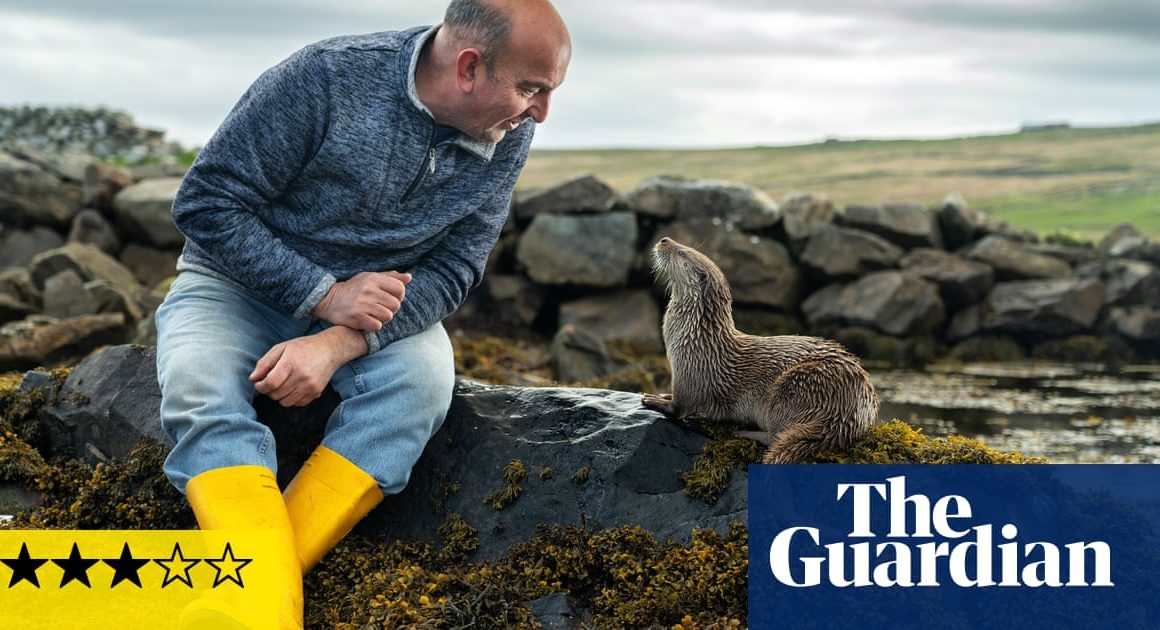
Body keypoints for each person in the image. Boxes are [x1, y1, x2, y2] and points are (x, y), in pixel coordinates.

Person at [154, 0, 571, 626]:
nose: (539, 111)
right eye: (531, 89)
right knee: (197, 385)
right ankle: (267, 608)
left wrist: (337, 340)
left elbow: (456, 268)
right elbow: (207, 205)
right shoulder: (323, 77)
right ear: (467, 68)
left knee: (422, 385)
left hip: (375, 313)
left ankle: (251, 600)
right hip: (233, 288)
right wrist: (323, 294)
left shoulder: (509, 129)